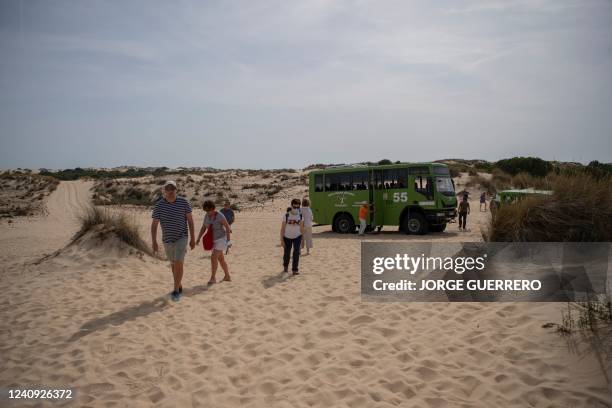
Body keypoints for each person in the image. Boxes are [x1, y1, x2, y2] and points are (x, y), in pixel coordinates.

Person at [151, 180, 196, 302]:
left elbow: (190, 221)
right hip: (167, 239)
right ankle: (179, 284)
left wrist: (193, 238)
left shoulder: (184, 202)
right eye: (168, 189)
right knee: (173, 264)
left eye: (172, 189)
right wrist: (154, 242)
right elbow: (154, 225)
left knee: (178, 262)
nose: (170, 191)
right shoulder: (159, 205)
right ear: (164, 191)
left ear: (176, 190)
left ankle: (176, 291)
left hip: (182, 237)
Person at [196, 200, 232, 284]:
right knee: (221, 259)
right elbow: (203, 227)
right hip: (213, 240)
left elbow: (227, 227)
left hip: (221, 239)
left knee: (213, 257)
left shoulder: (220, 215)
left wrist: (228, 241)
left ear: (213, 208)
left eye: (209, 210)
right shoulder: (206, 215)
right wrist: (198, 238)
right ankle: (227, 276)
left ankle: (213, 278)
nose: (208, 212)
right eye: (206, 211)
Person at [280, 198, 304, 275]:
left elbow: (302, 228)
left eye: (298, 207)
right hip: (287, 237)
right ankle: (286, 266)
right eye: (294, 207)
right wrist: (282, 240)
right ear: (291, 206)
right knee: (287, 253)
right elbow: (282, 228)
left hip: (297, 236)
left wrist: (303, 240)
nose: (296, 209)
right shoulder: (286, 215)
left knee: (296, 252)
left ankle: (295, 269)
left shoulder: (300, 216)